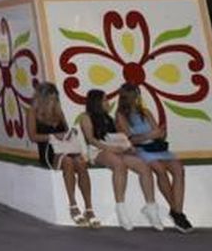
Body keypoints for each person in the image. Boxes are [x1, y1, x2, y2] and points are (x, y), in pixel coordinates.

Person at [78, 88, 160, 230]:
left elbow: (117, 137)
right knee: (119, 164)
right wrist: (110, 148)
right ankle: (120, 208)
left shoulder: (108, 118)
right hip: (97, 151)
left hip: (114, 148)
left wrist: (127, 146)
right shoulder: (86, 117)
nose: (107, 102)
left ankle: (151, 207)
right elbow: (91, 140)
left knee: (143, 166)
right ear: (96, 102)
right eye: (105, 99)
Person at [115, 84, 191, 232]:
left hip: (157, 147)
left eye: (137, 95)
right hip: (141, 149)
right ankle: (177, 213)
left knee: (179, 169)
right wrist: (150, 135)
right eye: (133, 95)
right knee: (160, 170)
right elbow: (130, 140)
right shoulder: (121, 116)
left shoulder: (146, 112)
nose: (136, 98)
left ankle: (177, 211)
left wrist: (161, 133)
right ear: (125, 97)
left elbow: (157, 132)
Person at [28, 83, 98, 227]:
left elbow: (66, 132)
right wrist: (53, 136)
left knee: (80, 162)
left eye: (55, 98)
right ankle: (73, 205)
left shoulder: (58, 112)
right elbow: (33, 137)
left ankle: (89, 208)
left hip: (64, 148)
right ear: (42, 99)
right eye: (50, 99)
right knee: (67, 161)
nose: (53, 102)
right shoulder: (33, 113)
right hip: (48, 152)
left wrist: (69, 134)